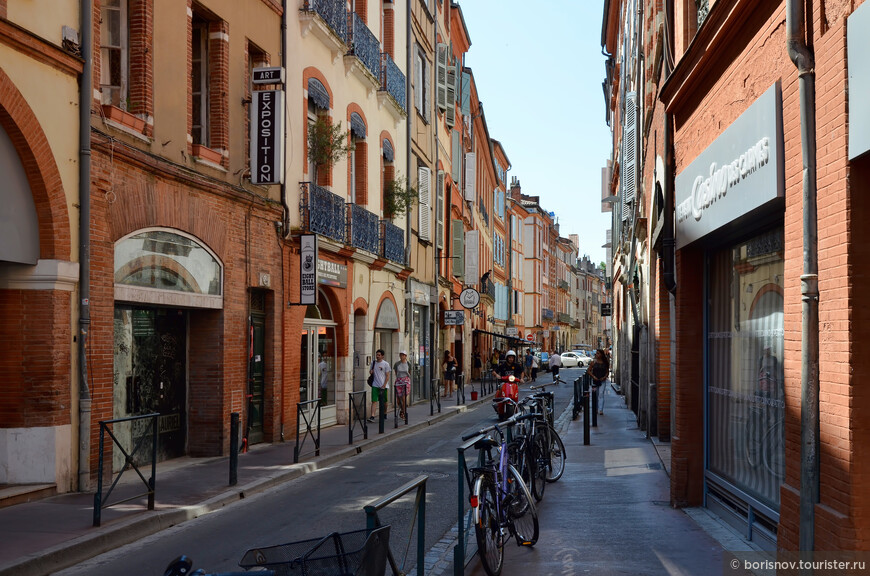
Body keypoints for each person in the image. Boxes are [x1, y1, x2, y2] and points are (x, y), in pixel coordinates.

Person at [369, 349, 391, 422]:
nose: (377, 356)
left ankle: (385, 413)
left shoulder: (386, 364)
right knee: (374, 401)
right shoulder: (373, 363)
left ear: (382, 356)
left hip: (383, 385)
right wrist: (371, 372)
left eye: (379, 355)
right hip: (375, 384)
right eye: (377, 355)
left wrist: (384, 385)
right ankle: (372, 415)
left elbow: (387, 375)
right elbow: (370, 371)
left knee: (384, 401)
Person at [587, 348, 611, 415]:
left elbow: (607, 372)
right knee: (595, 395)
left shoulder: (605, 362)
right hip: (595, 381)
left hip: (602, 381)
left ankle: (601, 409)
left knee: (601, 394)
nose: (597, 354)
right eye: (596, 353)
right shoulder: (593, 362)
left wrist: (604, 377)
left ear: (601, 354)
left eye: (598, 353)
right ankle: (596, 408)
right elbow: (588, 371)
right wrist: (593, 377)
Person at [393, 351, 411, 420]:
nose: (402, 356)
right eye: (401, 355)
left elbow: (409, 372)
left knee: (403, 398)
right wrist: (399, 378)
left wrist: (406, 379)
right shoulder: (397, 364)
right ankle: (402, 410)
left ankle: (404, 412)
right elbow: (396, 372)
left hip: (406, 380)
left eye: (403, 355)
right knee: (398, 399)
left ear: (406, 356)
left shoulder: (408, 364)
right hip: (398, 380)